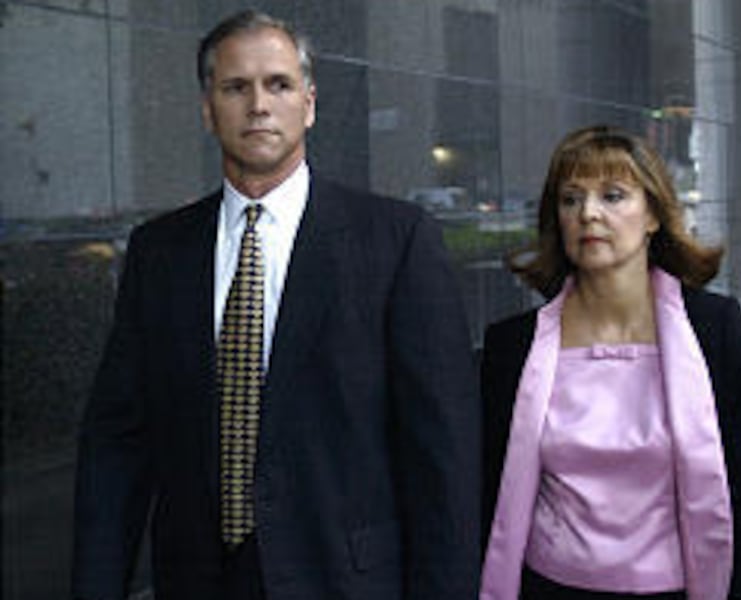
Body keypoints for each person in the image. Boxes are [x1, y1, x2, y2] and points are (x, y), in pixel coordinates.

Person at [72, 10, 480, 600]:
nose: (258, 105)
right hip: (197, 579)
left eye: (278, 84)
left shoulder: (396, 241)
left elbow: (442, 453)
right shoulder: (159, 252)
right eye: (236, 87)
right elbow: (118, 444)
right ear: (207, 109)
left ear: (309, 104)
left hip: (347, 581)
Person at [480, 125, 741, 600]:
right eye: (571, 199)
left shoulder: (715, 329)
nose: (589, 213)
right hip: (549, 588)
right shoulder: (512, 347)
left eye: (613, 195)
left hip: (681, 589)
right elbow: (485, 492)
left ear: (654, 216)